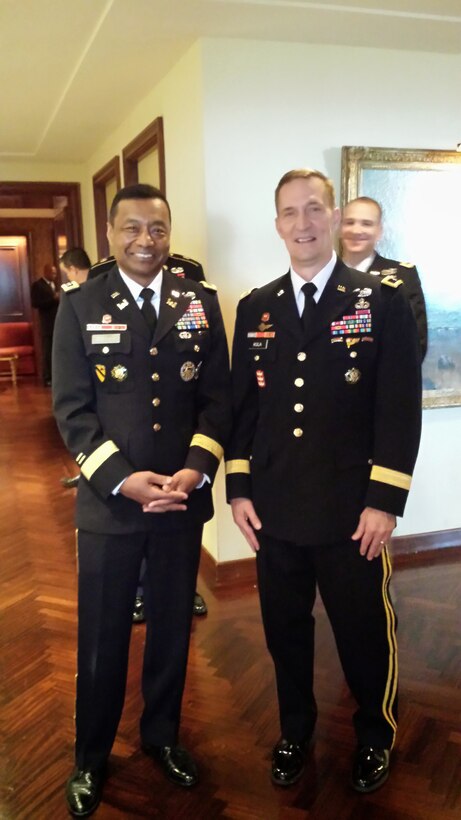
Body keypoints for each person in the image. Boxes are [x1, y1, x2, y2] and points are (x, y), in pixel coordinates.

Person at [226, 169, 422, 794]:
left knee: (363, 631)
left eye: (315, 209)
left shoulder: (379, 300)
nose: (303, 223)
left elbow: (398, 408)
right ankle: (294, 731)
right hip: (276, 511)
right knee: (285, 633)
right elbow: (242, 410)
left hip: (351, 512)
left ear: (334, 217)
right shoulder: (256, 307)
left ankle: (374, 735)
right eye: (290, 212)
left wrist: (384, 502)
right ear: (278, 224)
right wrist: (239, 488)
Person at [52, 183, 230, 817]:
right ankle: (90, 757)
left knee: (172, 632)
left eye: (156, 229)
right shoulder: (79, 306)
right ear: (110, 233)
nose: (145, 241)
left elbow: (218, 399)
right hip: (110, 507)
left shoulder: (198, 302)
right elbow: (72, 413)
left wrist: (195, 469)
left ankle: (162, 737)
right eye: (132, 229)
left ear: (169, 233)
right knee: (102, 639)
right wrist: (124, 480)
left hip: (181, 502)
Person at [340, 196, 428, 360]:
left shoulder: (403, 276)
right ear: (340, 227)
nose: (356, 230)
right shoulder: (323, 275)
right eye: (349, 222)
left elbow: (415, 344)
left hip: (382, 382)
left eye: (366, 223)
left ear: (379, 231)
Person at [30, 263, 60, 385]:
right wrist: (53, 299)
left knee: (56, 351)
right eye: (52, 273)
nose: (54, 275)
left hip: (57, 322)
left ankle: (56, 376)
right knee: (47, 352)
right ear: (46, 272)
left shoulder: (55, 284)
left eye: (55, 273)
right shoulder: (37, 285)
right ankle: (47, 378)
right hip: (47, 324)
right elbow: (35, 303)